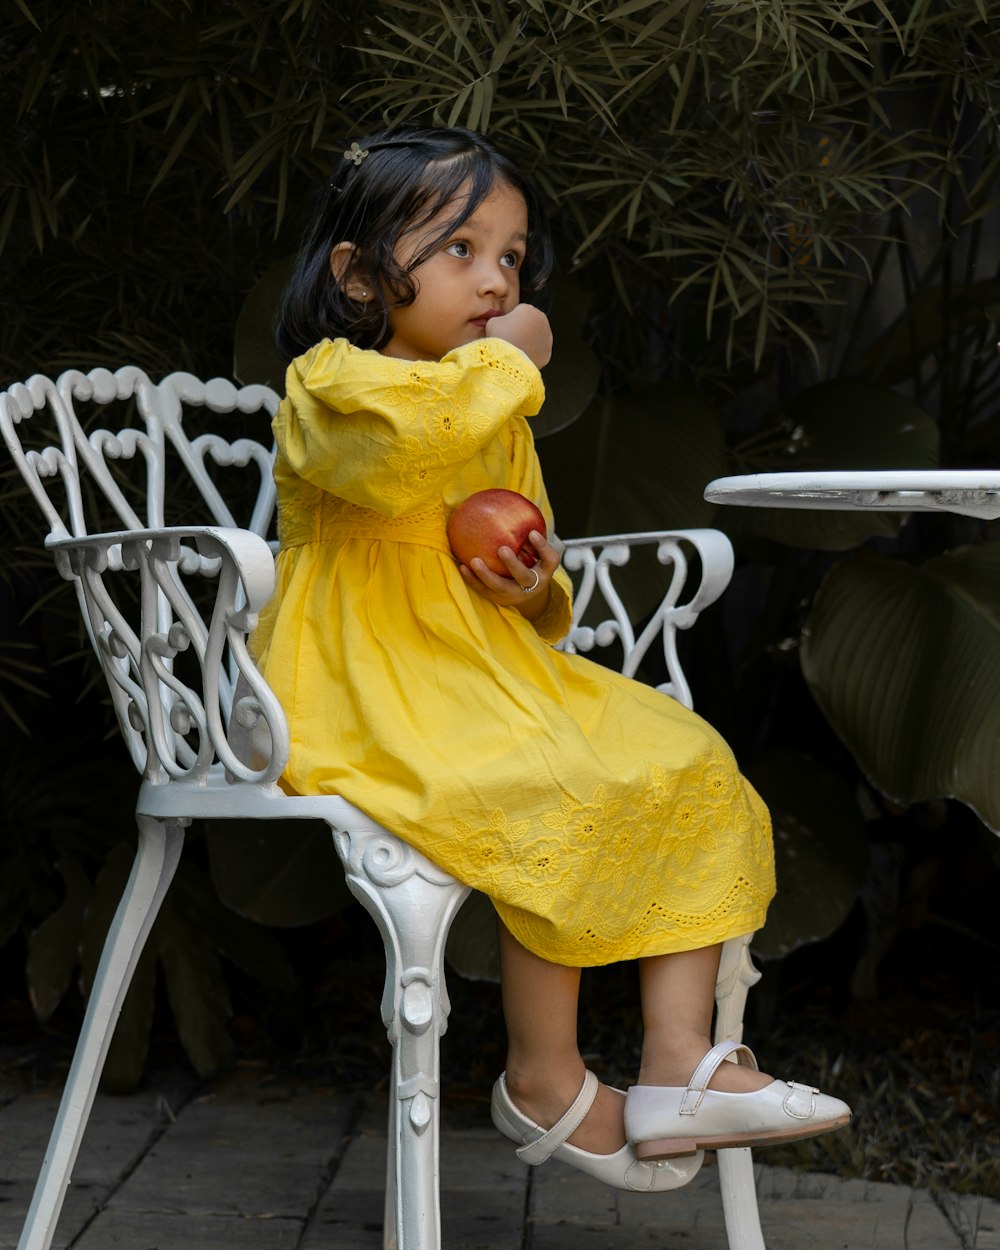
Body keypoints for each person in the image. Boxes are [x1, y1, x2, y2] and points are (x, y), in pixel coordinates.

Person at [251, 123, 851, 1193]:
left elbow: (542, 578)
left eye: (513, 257)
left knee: (684, 754)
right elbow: (397, 465)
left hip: (484, 668)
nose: (494, 280)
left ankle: (680, 1065)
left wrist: (528, 583)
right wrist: (505, 359)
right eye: (460, 250)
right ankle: (543, 1076)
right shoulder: (334, 385)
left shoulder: (491, 401)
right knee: (549, 787)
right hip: (362, 679)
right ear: (356, 275)